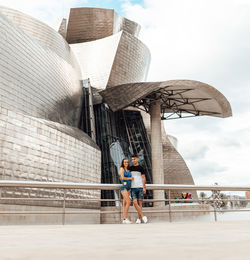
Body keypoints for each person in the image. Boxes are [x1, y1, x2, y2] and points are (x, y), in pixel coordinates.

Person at [129, 154, 148, 224]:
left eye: (134, 159)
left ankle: (138, 219)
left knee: (139, 203)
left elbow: (143, 178)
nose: (133, 161)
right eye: (132, 159)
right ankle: (143, 216)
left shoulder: (141, 168)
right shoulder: (130, 168)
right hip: (132, 188)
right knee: (134, 202)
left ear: (137, 159)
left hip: (140, 187)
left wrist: (144, 187)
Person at [119, 158, 134, 224]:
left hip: (128, 187)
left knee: (125, 204)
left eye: (127, 162)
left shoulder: (128, 170)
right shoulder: (121, 169)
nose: (126, 163)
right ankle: (125, 218)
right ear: (123, 163)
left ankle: (124, 219)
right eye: (125, 162)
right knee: (128, 201)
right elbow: (122, 178)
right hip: (124, 187)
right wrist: (130, 178)